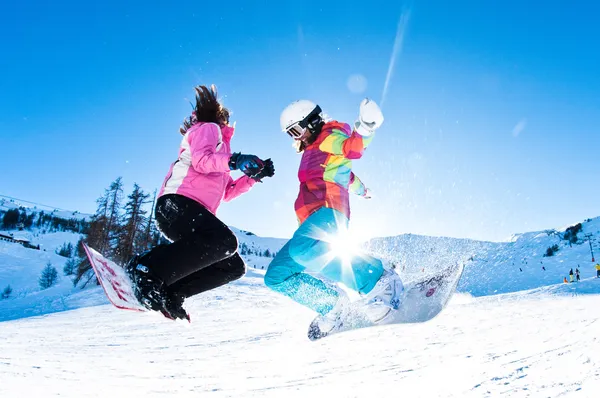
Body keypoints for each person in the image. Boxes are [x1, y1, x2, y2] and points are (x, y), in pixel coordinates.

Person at [126, 84, 275, 320]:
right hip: (177, 205)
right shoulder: (208, 129)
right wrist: (235, 161)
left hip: (190, 214)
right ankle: (145, 268)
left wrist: (253, 177)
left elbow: (227, 192)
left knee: (232, 266)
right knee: (224, 241)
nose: (226, 122)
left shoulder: (222, 149)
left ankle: (172, 293)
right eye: (224, 118)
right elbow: (202, 161)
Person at [264, 98, 404, 340]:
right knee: (276, 276)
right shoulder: (312, 151)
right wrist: (363, 191)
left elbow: (352, 148)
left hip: (329, 211)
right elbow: (345, 173)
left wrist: (367, 126)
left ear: (312, 121)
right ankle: (333, 306)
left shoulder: (329, 136)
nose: (295, 138)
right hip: (312, 220)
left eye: (296, 130)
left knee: (301, 248)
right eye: (290, 134)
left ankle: (379, 279)